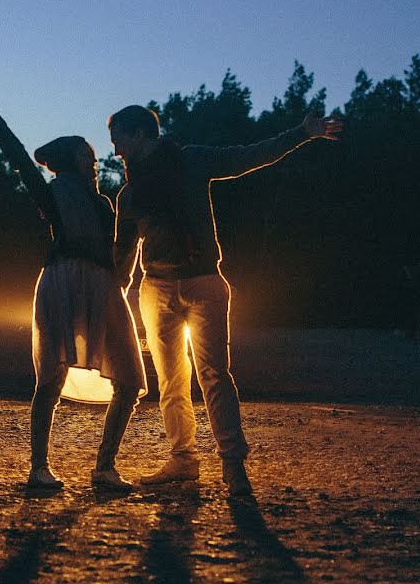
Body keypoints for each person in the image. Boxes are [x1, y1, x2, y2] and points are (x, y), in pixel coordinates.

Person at [108, 105, 341, 495]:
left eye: (120, 140)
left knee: (214, 375)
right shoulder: (129, 195)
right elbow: (122, 252)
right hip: (156, 289)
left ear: (141, 135)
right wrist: (108, 294)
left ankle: (232, 464)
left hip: (204, 283)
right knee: (170, 381)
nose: (116, 150)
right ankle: (183, 460)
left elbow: (248, 156)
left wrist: (302, 133)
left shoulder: (191, 161)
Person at [0, 88, 146, 491]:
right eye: (87, 157)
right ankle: (39, 467)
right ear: (69, 161)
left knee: (131, 378)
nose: (95, 165)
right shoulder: (52, 193)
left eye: (95, 159)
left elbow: (122, 246)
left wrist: (123, 277)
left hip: (103, 287)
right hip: (62, 281)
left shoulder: (105, 204)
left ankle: (104, 467)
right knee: (51, 376)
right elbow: (18, 158)